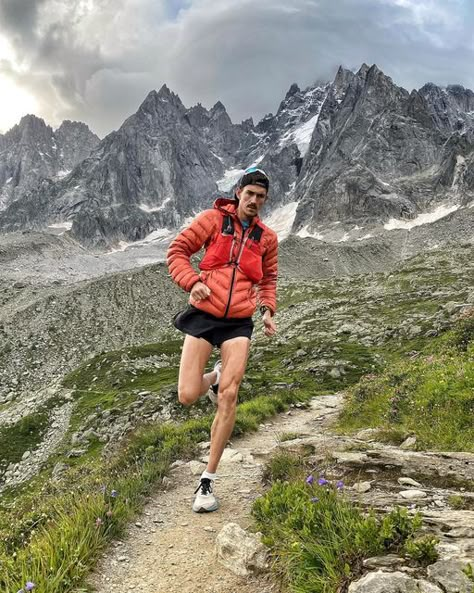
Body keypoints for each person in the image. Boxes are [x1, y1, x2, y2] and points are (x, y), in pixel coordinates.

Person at [166, 166, 278, 512]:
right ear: (238, 193)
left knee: (230, 394)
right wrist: (191, 282)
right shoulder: (213, 220)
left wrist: (267, 310)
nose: (254, 201)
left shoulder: (267, 238)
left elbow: (269, 278)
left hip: (238, 324)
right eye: (250, 194)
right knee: (186, 395)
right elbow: (177, 251)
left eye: (261, 197)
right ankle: (212, 378)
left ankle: (207, 482)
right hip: (203, 313)